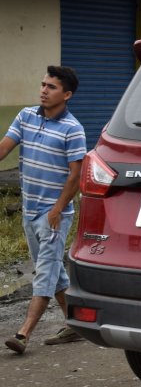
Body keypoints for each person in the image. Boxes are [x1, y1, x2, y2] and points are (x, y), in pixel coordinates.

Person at [1, 66, 87, 354]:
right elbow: (3, 149)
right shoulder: (26, 116)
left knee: (44, 273)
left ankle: (23, 334)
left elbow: (76, 175)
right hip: (30, 210)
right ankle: (76, 323)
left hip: (54, 215)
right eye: (43, 85)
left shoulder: (73, 129)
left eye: (51, 87)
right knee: (52, 271)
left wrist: (58, 209)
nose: (43, 90)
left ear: (67, 94)